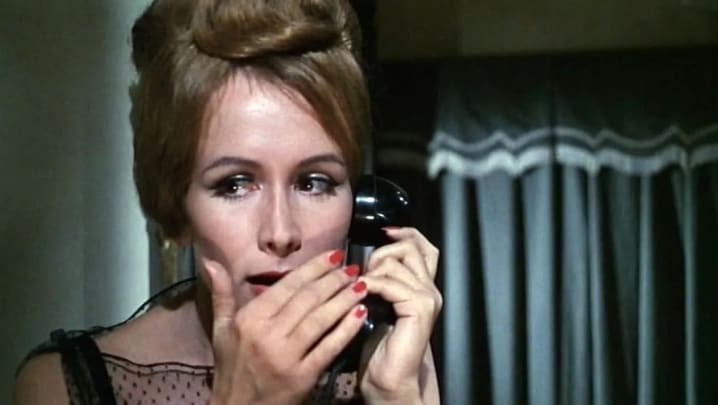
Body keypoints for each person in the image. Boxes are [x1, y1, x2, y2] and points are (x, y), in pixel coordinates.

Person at [13, 0, 443, 403]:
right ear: (175, 205)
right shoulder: (64, 385)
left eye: (313, 183)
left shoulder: (390, 363)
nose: (280, 232)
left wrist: (396, 395)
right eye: (235, 185)